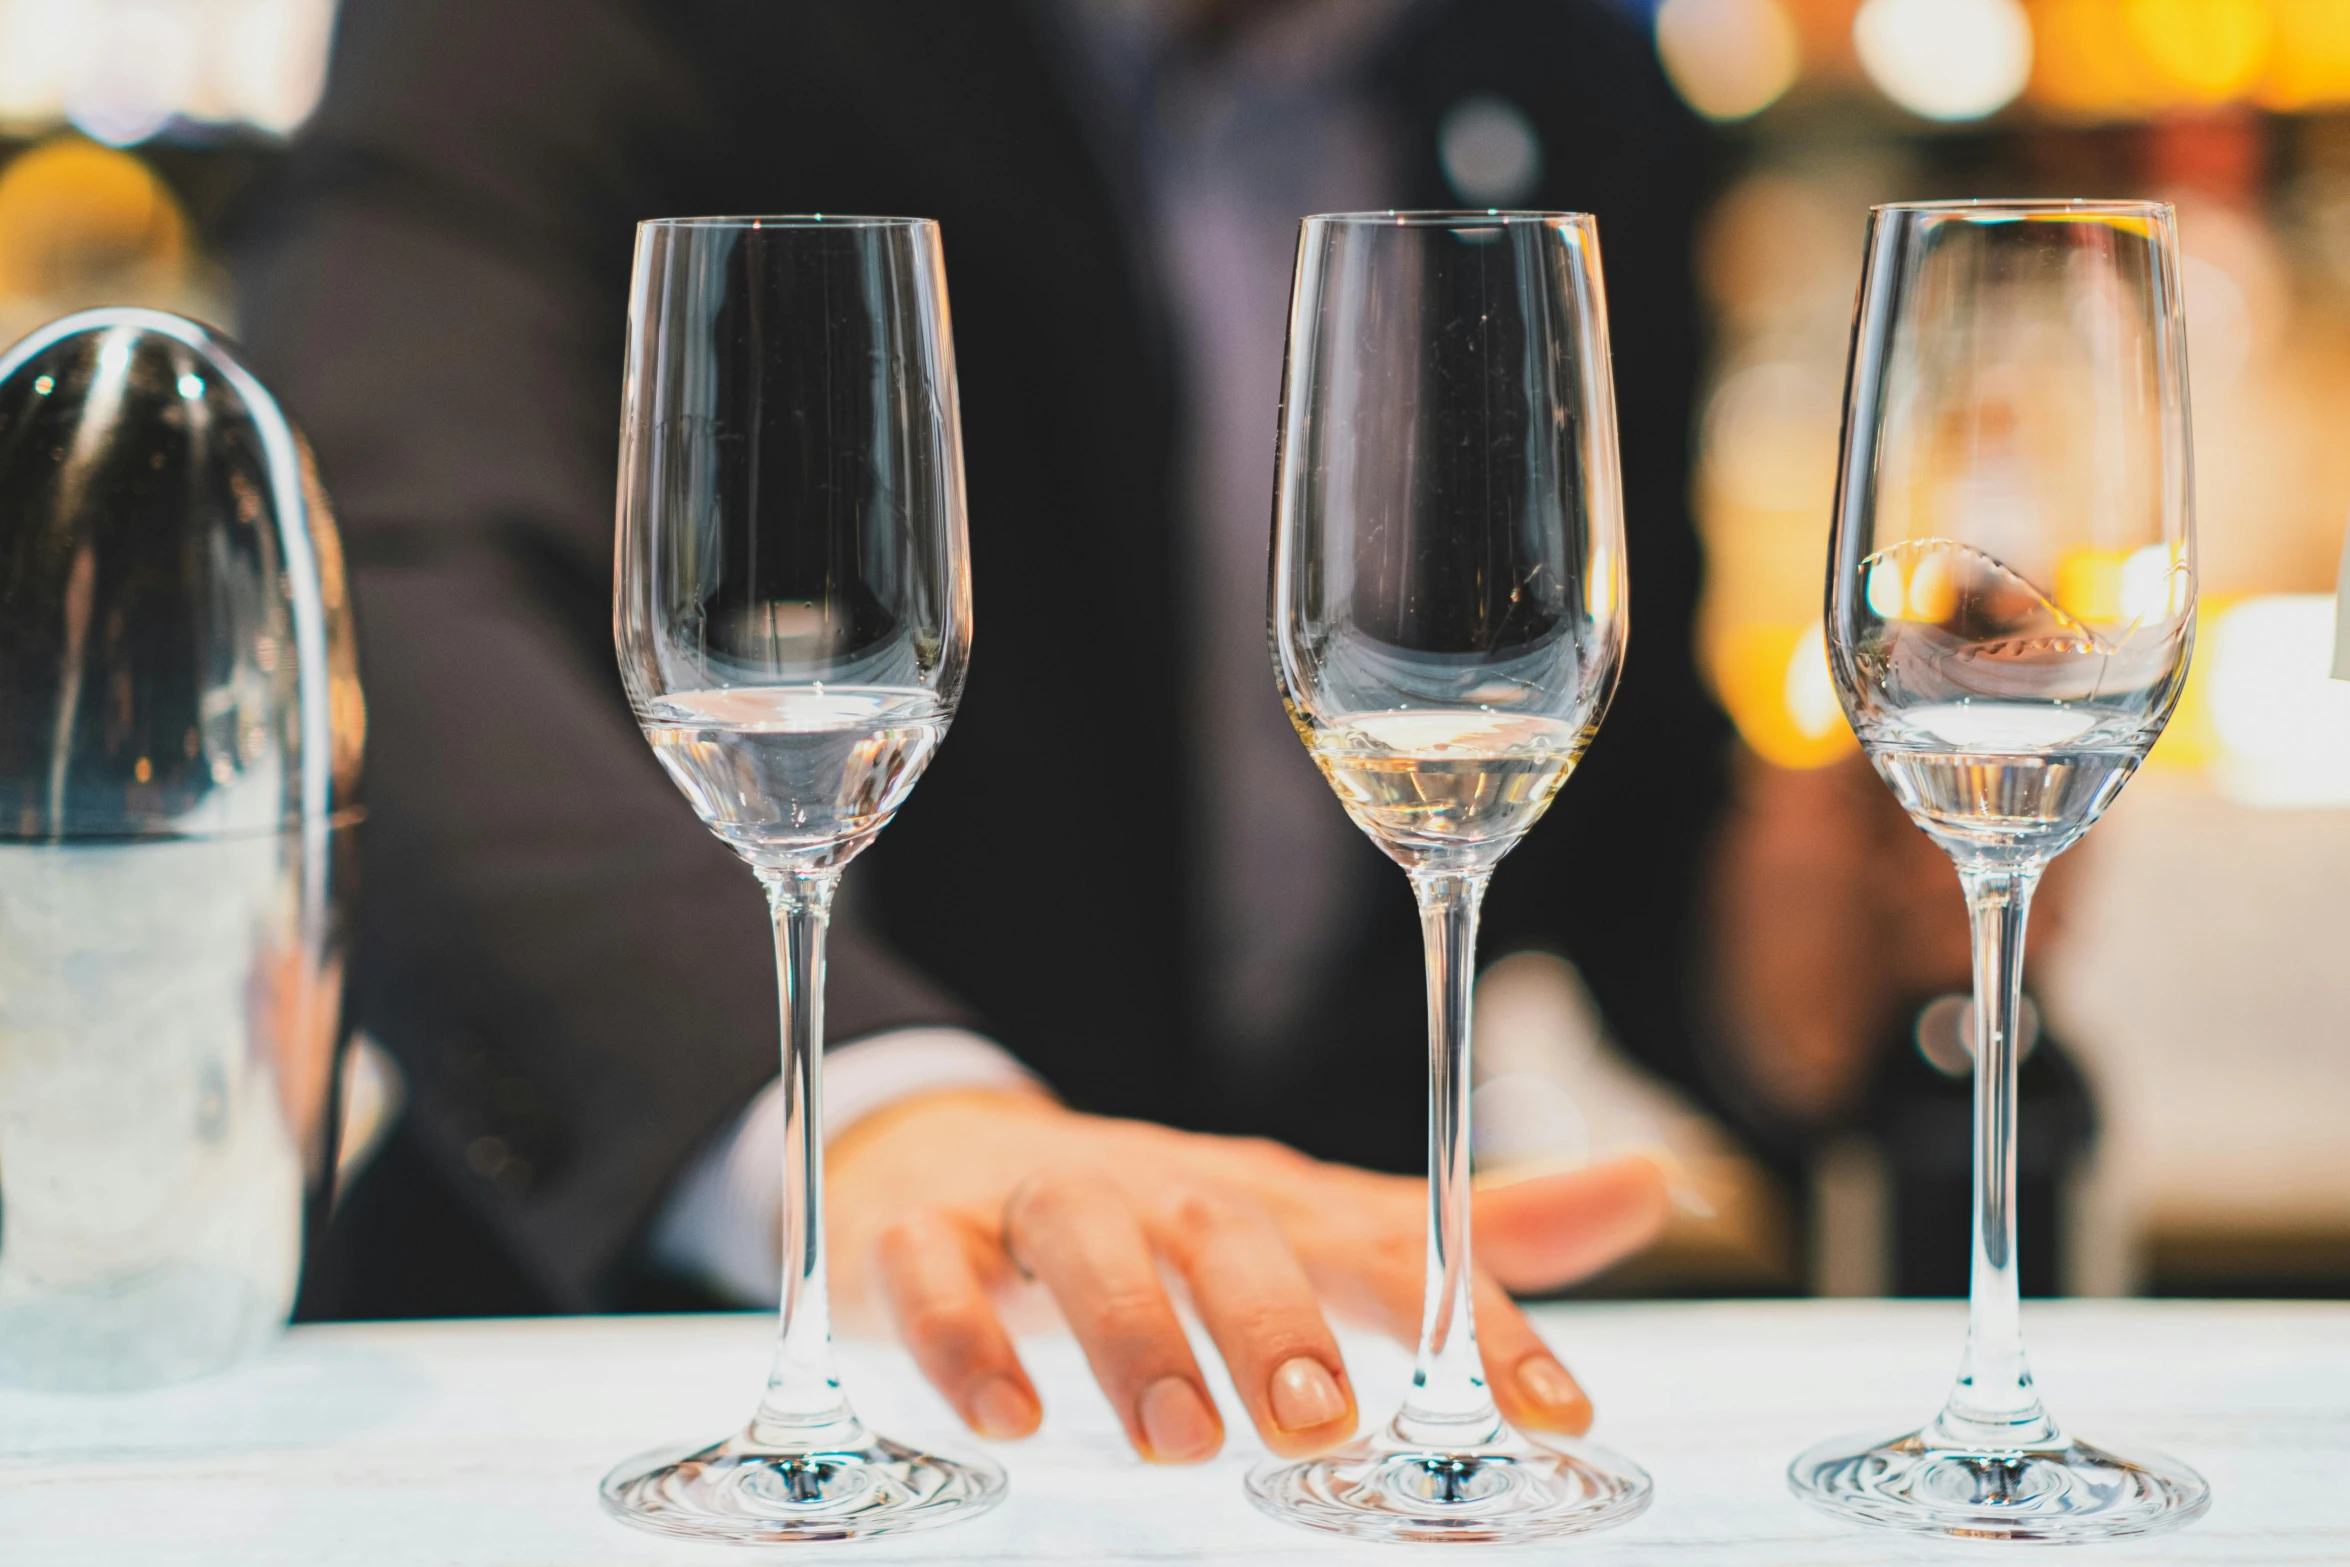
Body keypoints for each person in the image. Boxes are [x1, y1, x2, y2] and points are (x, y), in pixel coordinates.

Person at [243, 0, 1723, 1464]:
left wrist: (1769, 951)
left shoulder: (1556, 64)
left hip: (1306, 1392)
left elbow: (1575, 722)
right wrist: (883, 1116)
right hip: (601, 1388)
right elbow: (361, 567)